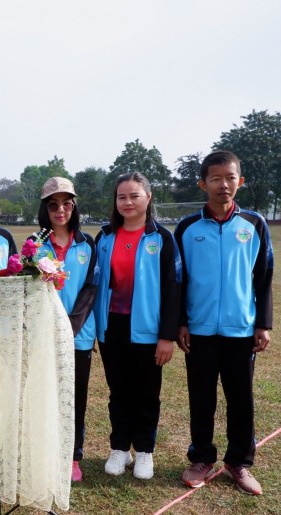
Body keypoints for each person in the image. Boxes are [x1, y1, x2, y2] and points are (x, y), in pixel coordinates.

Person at [175, 150, 273, 495]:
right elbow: (178, 280)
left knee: (241, 398)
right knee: (202, 398)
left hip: (241, 330)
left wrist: (262, 324)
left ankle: (239, 462)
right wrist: (181, 322)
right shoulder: (187, 227)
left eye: (230, 178)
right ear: (203, 184)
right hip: (199, 330)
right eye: (215, 179)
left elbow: (264, 277)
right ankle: (201, 458)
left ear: (240, 181)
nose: (223, 185)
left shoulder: (254, 224)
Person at [93, 172, 181, 480]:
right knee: (118, 391)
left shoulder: (162, 238)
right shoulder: (104, 237)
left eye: (134, 196)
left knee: (146, 393)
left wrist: (166, 336)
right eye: (122, 197)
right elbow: (95, 283)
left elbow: (173, 287)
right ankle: (120, 448)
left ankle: (144, 450)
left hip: (147, 330)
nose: (127, 202)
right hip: (112, 328)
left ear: (148, 197)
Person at [33, 177, 97, 483]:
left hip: (78, 336)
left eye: (67, 204)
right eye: (53, 205)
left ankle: (72, 456)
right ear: (45, 209)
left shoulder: (87, 244)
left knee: (75, 398)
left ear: (74, 207)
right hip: (43, 335)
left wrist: (69, 327)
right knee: (44, 396)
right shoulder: (34, 244)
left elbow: (91, 287)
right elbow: (28, 289)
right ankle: (45, 452)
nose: (61, 210)